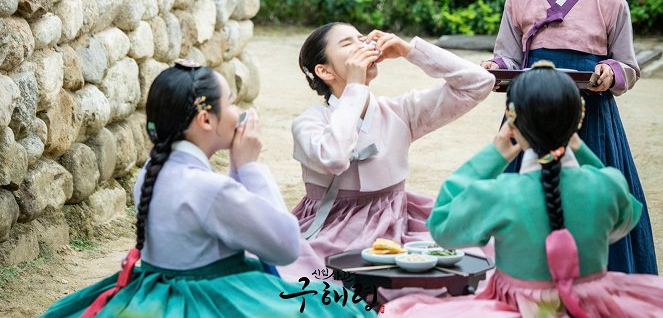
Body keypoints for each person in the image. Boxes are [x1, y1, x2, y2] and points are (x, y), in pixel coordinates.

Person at [40, 60, 375, 317]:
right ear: (205, 120)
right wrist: (250, 167)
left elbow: (219, 214)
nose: (238, 112)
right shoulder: (208, 188)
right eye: (230, 102)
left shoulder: (153, 172)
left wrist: (234, 169)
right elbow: (285, 246)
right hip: (210, 298)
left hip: (156, 291)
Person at [384, 63, 663, 318]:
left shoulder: (500, 193)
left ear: (512, 122)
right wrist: (582, 149)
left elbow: (442, 226)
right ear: (579, 119)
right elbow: (626, 216)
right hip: (597, 306)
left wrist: (494, 154)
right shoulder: (607, 185)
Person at [480, 0, 657, 275]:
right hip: (530, 119)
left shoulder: (611, 2)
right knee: (524, 207)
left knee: (589, 208)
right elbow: (508, 58)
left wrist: (610, 73)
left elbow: (628, 65)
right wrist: (496, 67)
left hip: (590, 120)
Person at [278, 22, 495, 280]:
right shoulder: (308, 123)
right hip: (331, 227)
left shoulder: (400, 111)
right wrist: (355, 88)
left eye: (362, 38)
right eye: (348, 44)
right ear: (324, 71)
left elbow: (480, 82)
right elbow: (334, 158)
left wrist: (410, 51)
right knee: (310, 282)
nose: (362, 45)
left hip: (396, 222)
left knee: (472, 258)